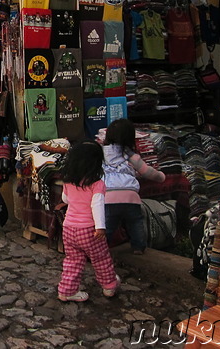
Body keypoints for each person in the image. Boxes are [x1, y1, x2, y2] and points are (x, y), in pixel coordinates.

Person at [58, 140, 120, 302]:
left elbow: (65, 198)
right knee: (101, 259)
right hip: (89, 229)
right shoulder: (97, 184)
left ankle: (66, 291)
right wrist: (100, 227)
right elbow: (97, 205)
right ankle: (109, 286)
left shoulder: (68, 181)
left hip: (69, 228)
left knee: (73, 260)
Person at [102, 118, 165, 254]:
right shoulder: (131, 156)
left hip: (108, 196)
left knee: (107, 227)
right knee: (135, 222)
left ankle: (100, 249)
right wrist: (161, 177)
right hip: (131, 197)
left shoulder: (101, 154)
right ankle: (138, 247)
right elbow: (148, 172)